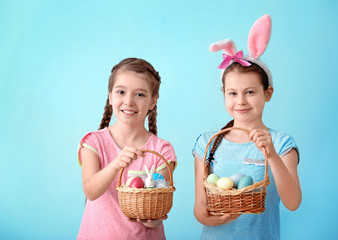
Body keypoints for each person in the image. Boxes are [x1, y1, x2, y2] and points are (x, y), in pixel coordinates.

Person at [192, 15, 302, 240]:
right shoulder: (207, 143)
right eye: (233, 93)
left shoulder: (281, 143)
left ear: (267, 93)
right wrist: (215, 218)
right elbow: (199, 208)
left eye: (250, 92)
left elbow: (292, 203)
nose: (240, 101)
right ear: (224, 94)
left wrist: (270, 153)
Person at [77, 58, 177, 240]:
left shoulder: (161, 151)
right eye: (121, 92)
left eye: (140, 94)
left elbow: (159, 202)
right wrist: (116, 164)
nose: (129, 101)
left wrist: (153, 219)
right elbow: (90, 191)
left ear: (152, 101)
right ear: (110, 96)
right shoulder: (93, 142)